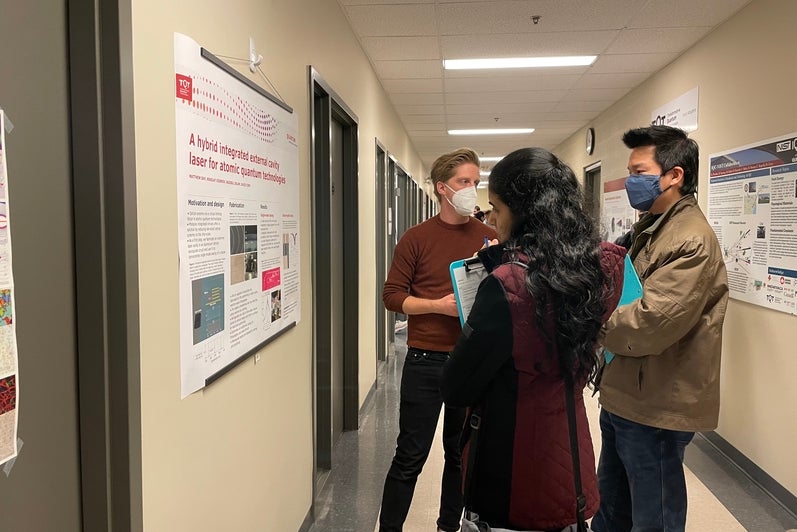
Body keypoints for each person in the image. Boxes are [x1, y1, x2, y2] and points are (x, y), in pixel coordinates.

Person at [441, 147, 625, 531]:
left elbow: (457, 385)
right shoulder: (603, 269)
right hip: (569, 454)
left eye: (496, 208)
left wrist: (496, 281)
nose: (491, 219)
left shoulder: (507, 285)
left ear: (523, 212)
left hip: (513, 467)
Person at [592, 125, 729, 532]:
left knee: (654, 516)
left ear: (674, 175)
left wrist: (588, 319)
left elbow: (651, 321)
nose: (632, 181)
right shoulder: (651, 228)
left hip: (656, 403)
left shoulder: (690, 239)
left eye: (639, 172)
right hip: (625, 392)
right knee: (612, 505)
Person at [380, 147, 498, 532]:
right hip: (425, 362)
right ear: (442, 188)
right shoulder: (416, 239)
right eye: (464, 182)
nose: (471, 190)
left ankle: (448, 526)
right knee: (409, 455)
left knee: (459, 455)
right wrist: (437, 306)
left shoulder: (489, 239)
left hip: (470, 360)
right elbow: (392, 297)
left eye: (476, 183)